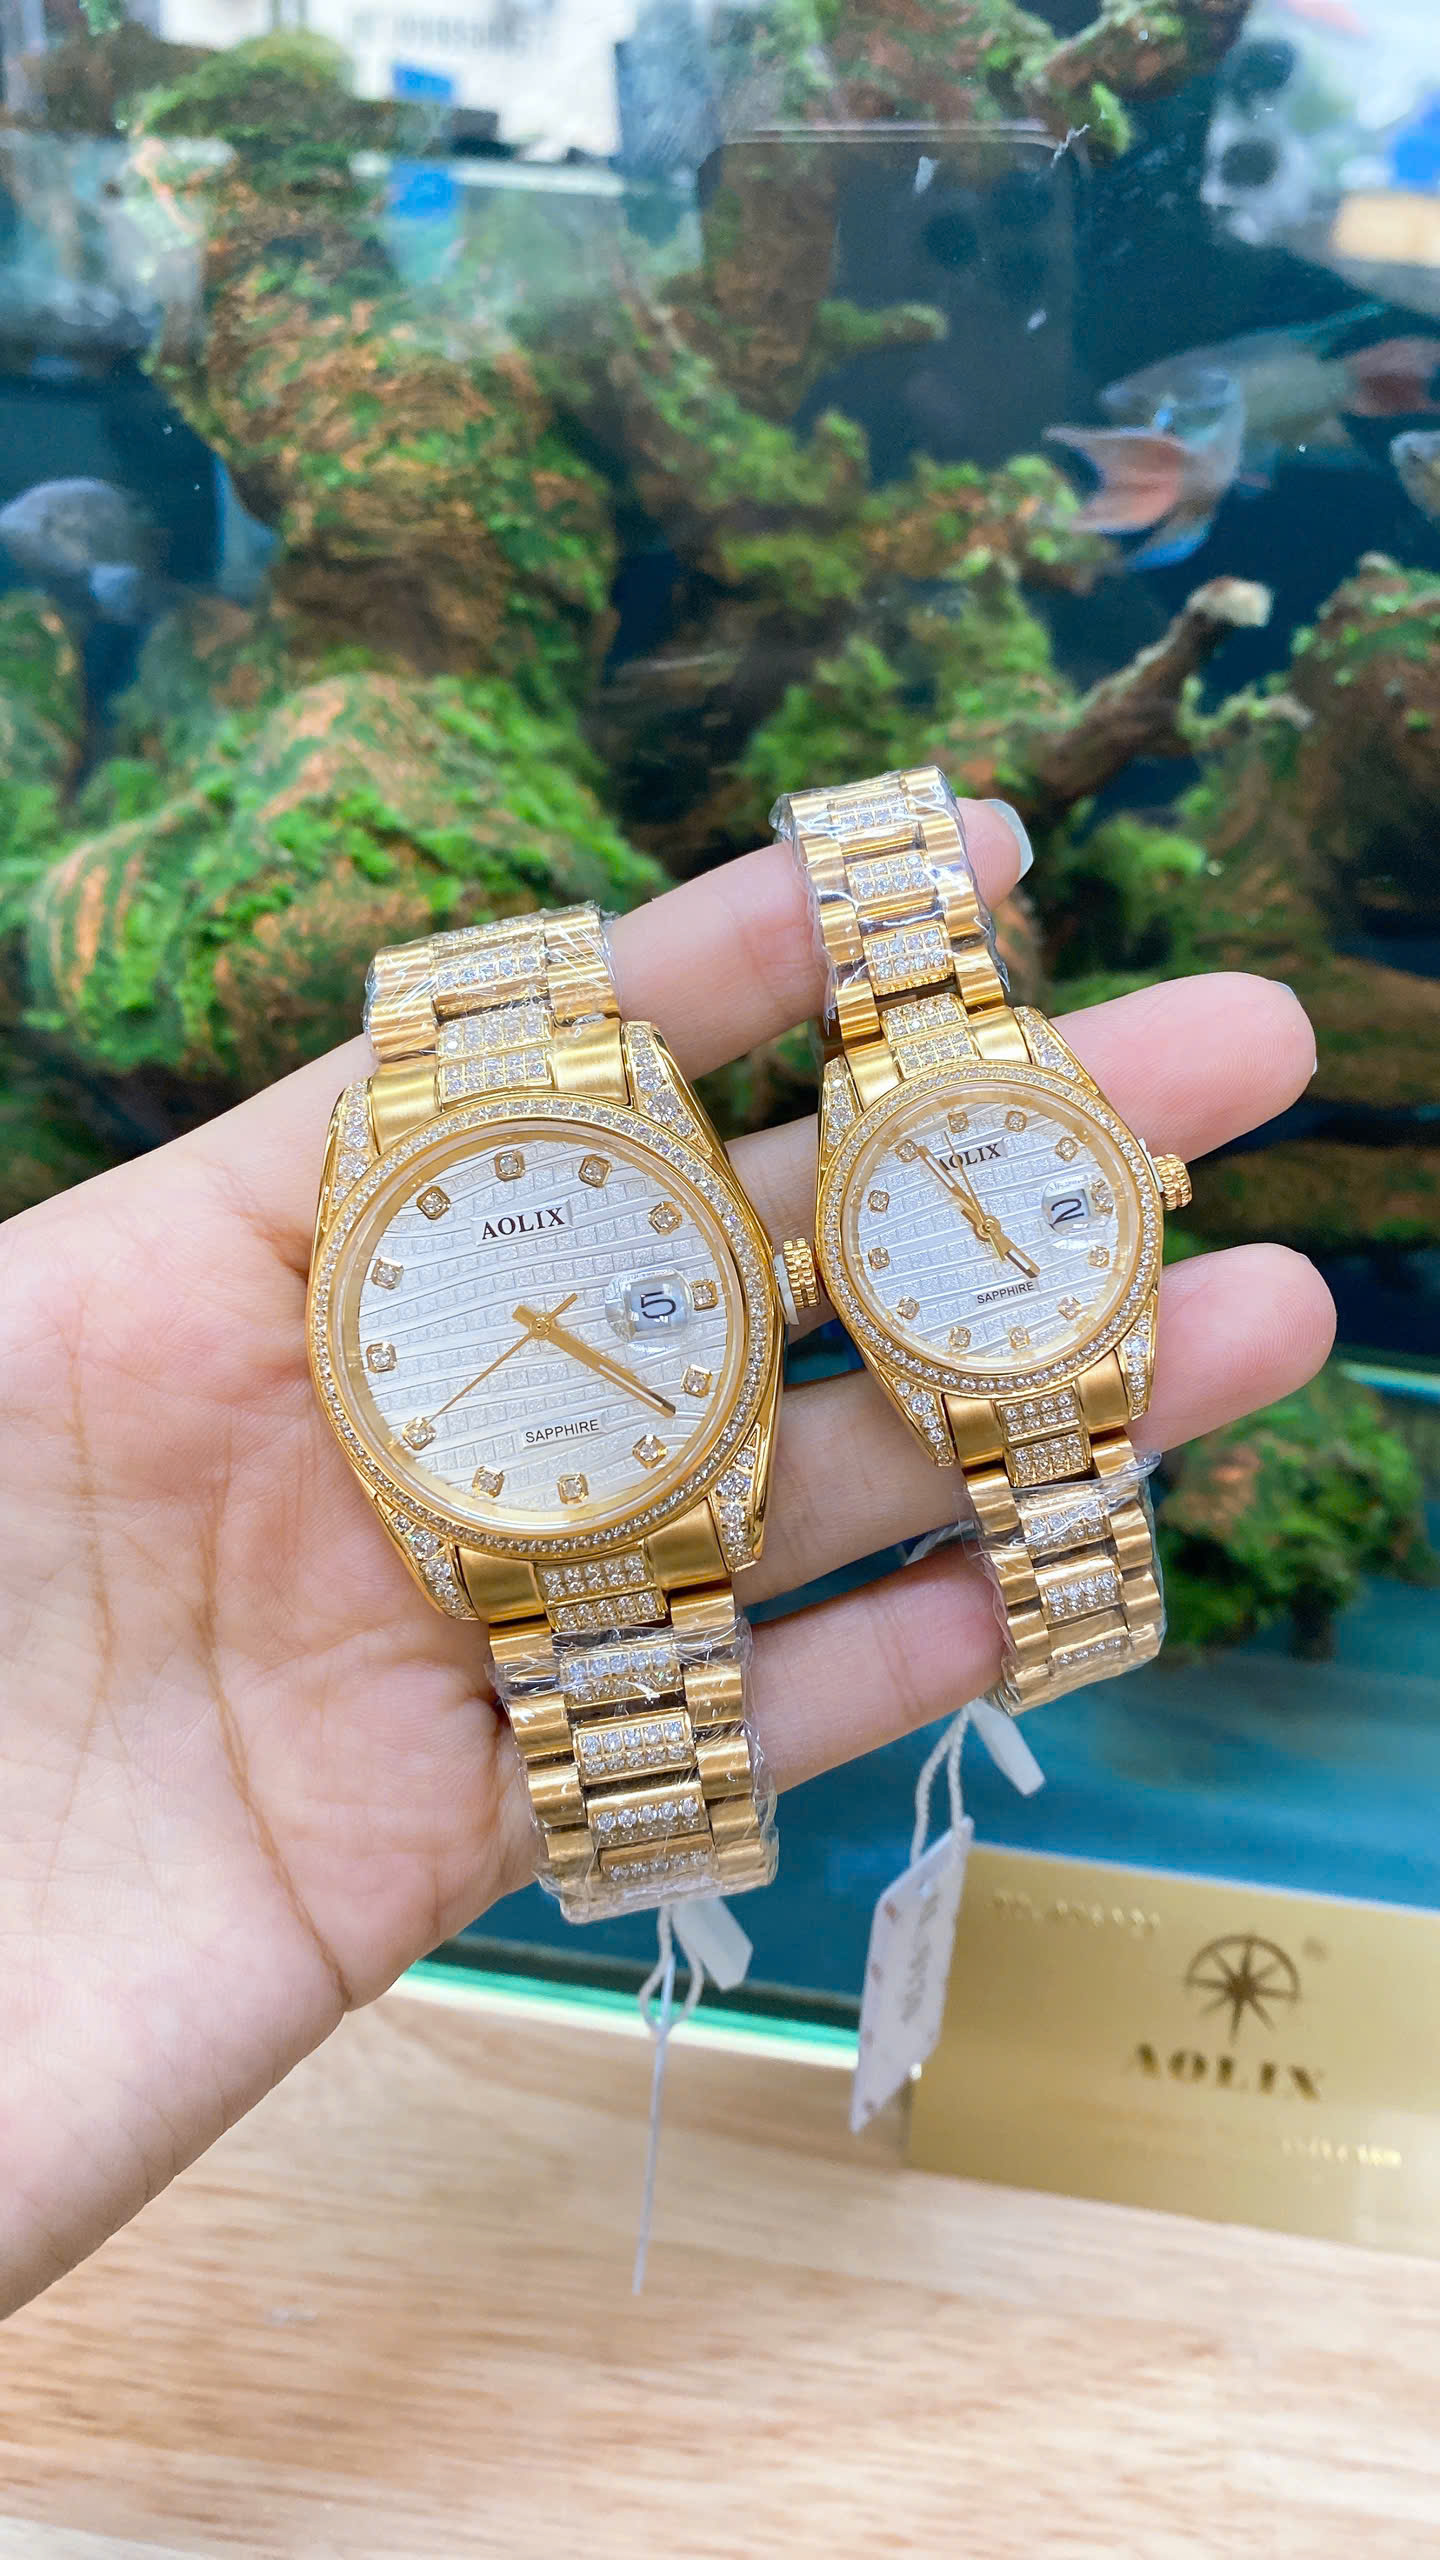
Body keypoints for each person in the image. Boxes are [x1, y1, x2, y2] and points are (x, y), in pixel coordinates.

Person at [0, 815, 1332, 2316]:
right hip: (518, 1517)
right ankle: (663, 1858)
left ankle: (668, 1859)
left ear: (766, 1275)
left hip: (621, 1474)